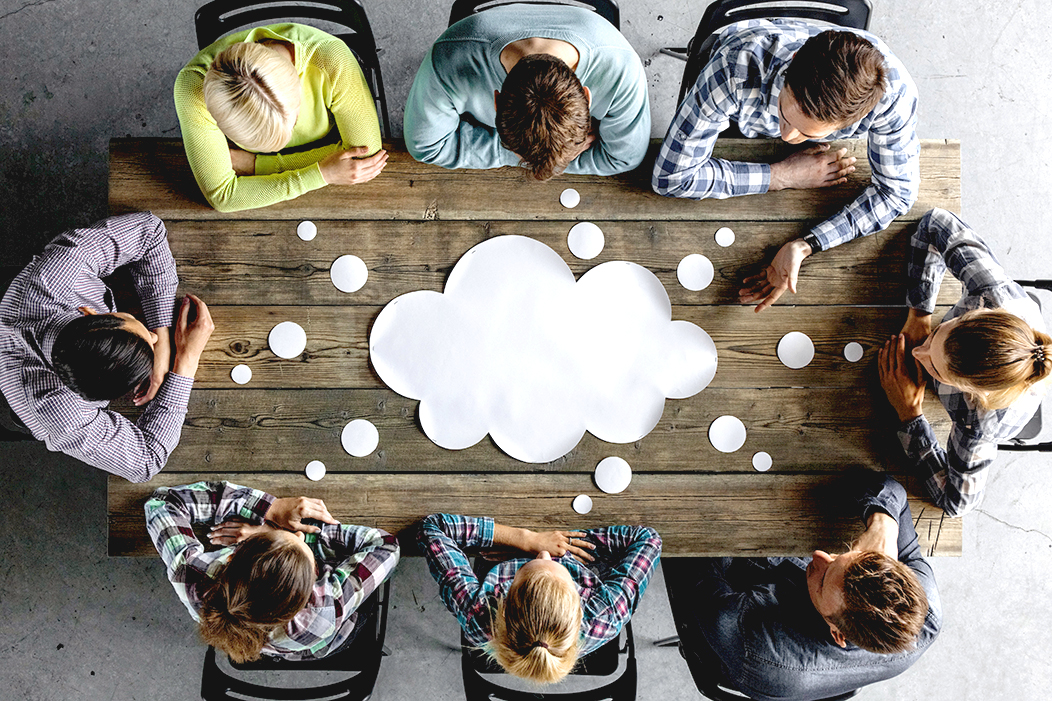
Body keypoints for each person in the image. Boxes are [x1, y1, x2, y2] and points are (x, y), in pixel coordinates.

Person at [653, 20, 919, 312]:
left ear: (856, 120)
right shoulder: (733, 69)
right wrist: (782, 175)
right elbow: (671, 178)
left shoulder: (894, 96)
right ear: (792, 63)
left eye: (809, 133)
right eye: (784, 113)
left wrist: (807, 244)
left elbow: (897, 194)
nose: (787, 137)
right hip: (739, 63)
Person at [669, 473, 940, 701]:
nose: (819, 556)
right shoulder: (926, 614)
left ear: (838, 634)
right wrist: (884, 524)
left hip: (726, 646)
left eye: (823, 581)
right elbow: (890, 487)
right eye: (843, 554)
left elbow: (699, 564)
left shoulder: (752, 638)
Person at [0, 212, 214, 482]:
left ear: (88, 313)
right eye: (150, 335)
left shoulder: (64, 270)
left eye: (133, 323)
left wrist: (160, 331)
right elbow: (146, 462)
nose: (156, 339)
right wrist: (185, 362)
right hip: (24, 398)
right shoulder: (63, 416)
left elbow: (149, 230)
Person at [878, 208, 1051, 517]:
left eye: (935, 369)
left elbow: (957, 503)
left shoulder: (980, 422)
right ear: (977, 312)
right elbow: (936, 223)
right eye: (937, 338)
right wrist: (920, 313)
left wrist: (910, 415)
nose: (917, 353)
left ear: (969, 392)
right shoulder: (993, 293)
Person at [146, 481, 400, 662]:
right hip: (323, 643)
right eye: (312, 566)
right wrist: (290, 536)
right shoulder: (322, 608)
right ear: (311, 590)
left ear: (235, 553)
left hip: (255, 644)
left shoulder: (191, 575)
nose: (299, 532)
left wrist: (270, 511)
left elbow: (163, 503)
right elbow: (387, 545)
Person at [403, 4, 650, 179]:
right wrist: (552, 157)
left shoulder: (623, 67)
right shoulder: (448, 59)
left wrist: (525, 155)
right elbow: (426, 146)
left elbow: (625, 159)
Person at [419, 513, 660, 684]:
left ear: (506, 599)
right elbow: (648, 539)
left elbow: (433, 528)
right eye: (551, 562)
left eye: (531, 566)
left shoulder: (481, 615)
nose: (545, 553)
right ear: (579, 603)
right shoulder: (604, 613)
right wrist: (563, 545)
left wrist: (522, 540)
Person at [175, 23, 388, 212]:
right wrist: (322, 173)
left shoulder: (331, 59)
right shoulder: (191, 88)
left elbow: (364, 155)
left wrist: (256, 165)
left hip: (253, 160)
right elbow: (223, 197)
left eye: (294, 121)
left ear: (298, 82)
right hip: (328, 148)